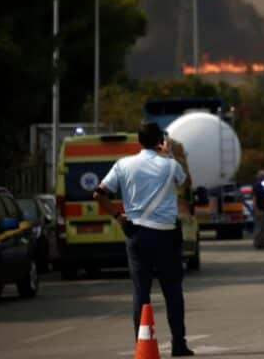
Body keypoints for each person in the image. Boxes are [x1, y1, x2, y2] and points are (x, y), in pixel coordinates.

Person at [93, 122, 194, 357]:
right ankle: (178, 344)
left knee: (141, 292)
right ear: (160, 140)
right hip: (166, 234)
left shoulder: (123, 165)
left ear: (139, 141)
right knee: (173, 291)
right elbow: (187, 182)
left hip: (136, 233)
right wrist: (170, 153)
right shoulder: (170, 165)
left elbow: (99, 193)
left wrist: (118, 217)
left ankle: (141, 344)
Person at [252, 170, 264, 249]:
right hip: (259, 209)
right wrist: (256, 209)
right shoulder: (257, 186)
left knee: (262, 227)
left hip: (262, 208)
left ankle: (262, 243)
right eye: (263, 176)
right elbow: (254, 198)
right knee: (259, 227)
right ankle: (258, 243)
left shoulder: (260, 185)